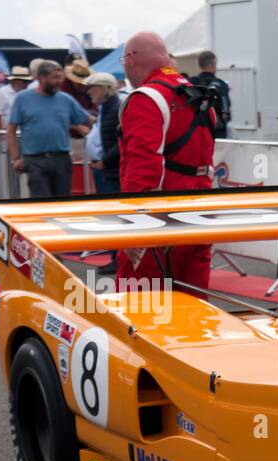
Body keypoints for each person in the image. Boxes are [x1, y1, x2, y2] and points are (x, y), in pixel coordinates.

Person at [117, 31, 216, 292]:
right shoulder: (199, 97)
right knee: (195, 309)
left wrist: (134, 226)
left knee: (139, 311)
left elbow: (142, 171)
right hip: (199, 220)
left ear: (129, 60)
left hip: (158, 224)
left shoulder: (147, 99)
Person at [7, 61, 90, 198]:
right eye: (55, 77)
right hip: (35, 160)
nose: (59, 81)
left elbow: (87, 120)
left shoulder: (66, 100)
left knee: (63, 203)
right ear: (41, 78)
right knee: (42, 202)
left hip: (62, 159)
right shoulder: (22, 99)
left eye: (60, 77)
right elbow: (11, 130)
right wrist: (15, 158)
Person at [85, 72, 121, 193]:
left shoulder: (116, 109)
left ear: (105, 88)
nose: (89, 92)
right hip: (105, 169)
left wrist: (105, 161)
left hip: (111, 171)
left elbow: (124, 141)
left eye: (92, 87)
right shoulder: (105, 109)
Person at [189, 51, 231, 139]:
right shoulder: (221, 85)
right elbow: (225, 111)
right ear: (213, 64)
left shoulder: (190, 83)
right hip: (217, 133)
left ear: (199, 65)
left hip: (194, 132)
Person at [0, 66, 30, 132]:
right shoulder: (3, 92)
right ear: (16, 81)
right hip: (6, 132)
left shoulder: (28, 92)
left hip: (24, 133)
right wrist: (1, 133)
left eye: (28, 81)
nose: (27, 83)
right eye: (25, 81)